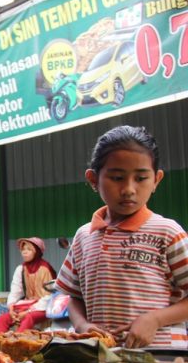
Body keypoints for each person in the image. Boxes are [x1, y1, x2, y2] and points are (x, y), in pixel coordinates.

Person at [56, 125, 188, 349]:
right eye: (117, 177)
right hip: (101, 358)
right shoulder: (83, 237)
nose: (129, 189)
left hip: (162, 358)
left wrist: (154, 319)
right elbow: (73, 296)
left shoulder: (168, 232)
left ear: (156, 180)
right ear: (92, 179)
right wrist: (81, 325)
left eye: (141, 178)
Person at [0, 237, 56, 332]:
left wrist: (29, 311)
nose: (24, 252)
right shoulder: (21, 269)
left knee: (28, 318)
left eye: (29, 249)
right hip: (26, 305)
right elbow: (16, 290)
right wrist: (11, 308)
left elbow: (49, 296)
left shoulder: (45, 269)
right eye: (23, 249)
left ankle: (18, 342)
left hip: (44, 306)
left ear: (37, 251)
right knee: (2, 319)